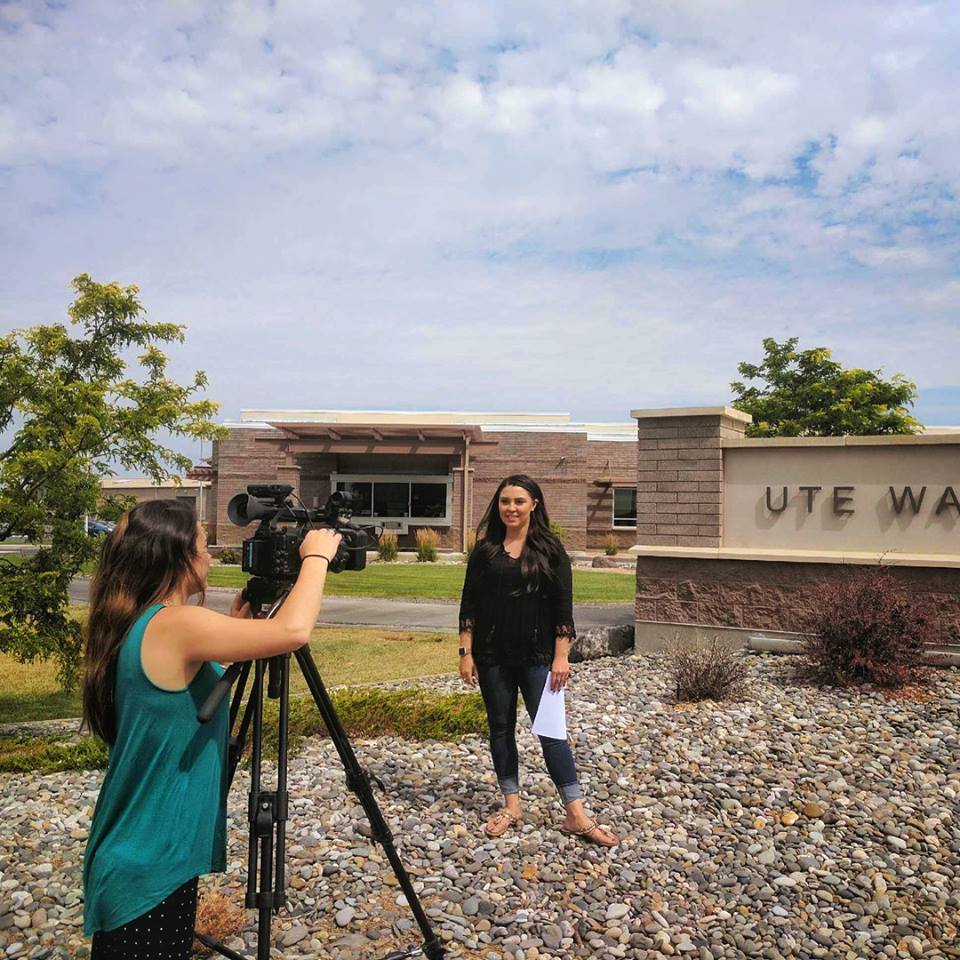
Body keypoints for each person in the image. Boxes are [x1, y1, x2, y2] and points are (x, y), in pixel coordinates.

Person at [81, 498, 341, 959]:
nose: (210, 556)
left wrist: (235, 634)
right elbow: (294, 630)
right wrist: (316, 556)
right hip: (149, 864)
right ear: (179, 556)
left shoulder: (145, 622)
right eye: (202, 545)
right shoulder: (178, 624)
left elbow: (175, 693)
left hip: (145, 852)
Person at [457, 474, 618, 846]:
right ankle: (511, 805)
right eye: (504, 501)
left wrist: (561, 658)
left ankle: (575, 813)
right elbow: (469, 606)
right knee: (500, 728)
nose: (510, 508)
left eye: (518, 501)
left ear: (534, 505)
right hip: (492, 654)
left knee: (551, 732)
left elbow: (564, 610)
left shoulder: (550, 550)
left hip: (538, 657)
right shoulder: (484, 552)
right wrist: (466, 652)